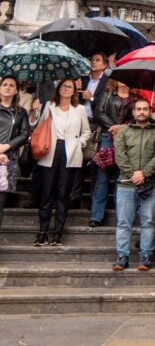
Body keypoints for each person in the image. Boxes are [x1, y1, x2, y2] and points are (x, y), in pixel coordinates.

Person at [34, 79, 91, 246]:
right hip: (50, 151)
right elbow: (39, 127)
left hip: (69, 152)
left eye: (70, 87)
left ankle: (58, 233)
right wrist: (35, 112)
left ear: (74, 91)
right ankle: (42, 232)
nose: (66, 89)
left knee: (62, 194)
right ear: (58, 89)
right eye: (64, 86)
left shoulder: (79, 109)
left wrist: (79, 143)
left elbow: (86, 131)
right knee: (46, 194)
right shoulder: (49, 106)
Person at [112, 98, 155, 271]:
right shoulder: (124, 131)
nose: (142, 112)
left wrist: (144, 173)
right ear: (133, 112)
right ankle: (122, 256)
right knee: (123, 222)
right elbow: (120, 155)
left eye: (145, 109)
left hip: (151, 183)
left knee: (148, 221)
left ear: (150, 111)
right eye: (138, 109)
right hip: (126, 184)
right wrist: (133, 174)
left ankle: (146, 255)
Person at [90, 80, 140, 227]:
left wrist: (122, 127)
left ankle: (121, 217)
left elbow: (138, 119)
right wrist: (113, 127)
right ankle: (96, 216)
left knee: (122, 177)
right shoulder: (106, 95)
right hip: (107, 136)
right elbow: (98, 113)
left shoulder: (136, 99)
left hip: (128, 140)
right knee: (102, 177)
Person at [0, 76, 29, 228]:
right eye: (4, 84)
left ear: (16, 90)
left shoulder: (20, 112)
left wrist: (7, 146)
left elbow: (24, 134)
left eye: (11, 85)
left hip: (8, 157)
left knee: (1, 200)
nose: (7, 87)